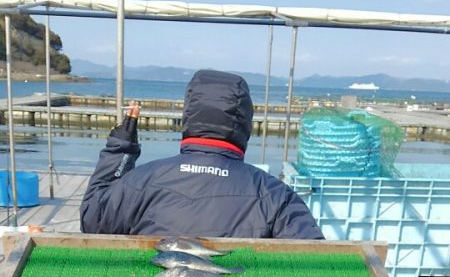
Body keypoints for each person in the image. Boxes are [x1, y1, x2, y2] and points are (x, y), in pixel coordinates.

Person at [80, 69, 324, 239]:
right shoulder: (275, 194)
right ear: (245, 123)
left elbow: (93, 221)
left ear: (188, 118)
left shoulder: (141, 181)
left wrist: (120, 149)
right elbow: (312, 259)